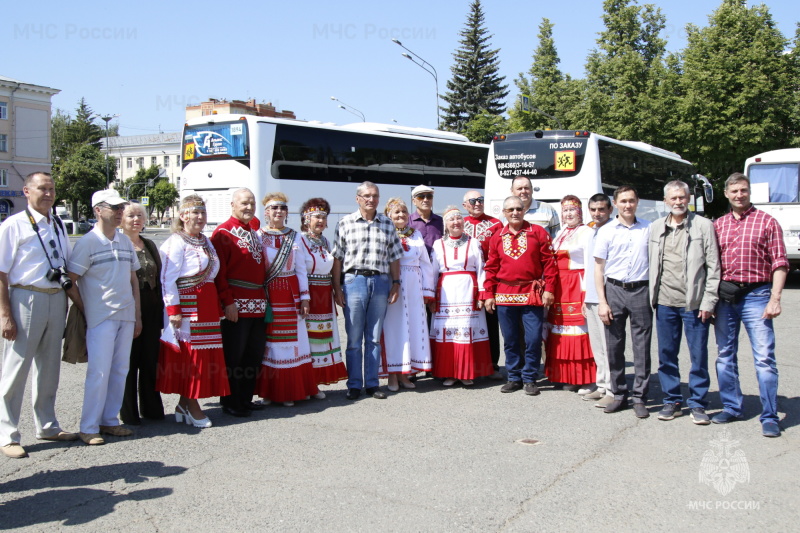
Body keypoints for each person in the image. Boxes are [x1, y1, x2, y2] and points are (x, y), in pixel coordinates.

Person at [0, 172, 79, 459]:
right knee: (16, 368)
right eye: (42, 188)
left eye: (52, 189)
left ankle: (47, 425)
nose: (48, 193)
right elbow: (1, 272)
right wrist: (5, 314)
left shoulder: (57, 223)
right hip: (25, 297)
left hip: (55, 298)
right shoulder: (14, 225)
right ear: (26, 191)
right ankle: (7, 434)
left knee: (49, 369)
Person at [712, 173, 788, 437]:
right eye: (734, 191)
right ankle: (732, 407)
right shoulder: (718, 225)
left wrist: (775, 299)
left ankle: (769, 415)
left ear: (749, 191)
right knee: (724, 356)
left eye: (743, 190)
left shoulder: (767, 222)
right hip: (726, 298)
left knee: (764, 359)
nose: (739, 195)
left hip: (757, 296)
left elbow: (780, 263)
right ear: (726, 194)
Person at [67, 190, 142, 445]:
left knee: (120, 369)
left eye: (121, 206)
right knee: (99, 372)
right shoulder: (87, 243)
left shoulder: (124, 241)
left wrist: (137, 315)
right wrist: (86, 308)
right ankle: (88, 427)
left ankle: (109, 421)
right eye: (114, 207)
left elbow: (133, 279)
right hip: (101, 317)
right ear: (98, 210)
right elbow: (71, 281)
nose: (120, 211)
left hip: (126, 315)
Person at [649, 181, 720, 425]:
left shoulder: (703, 226)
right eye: (673, 198)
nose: (678, 202)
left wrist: (709, 301)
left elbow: (713, 267)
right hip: (665, 302)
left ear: (688, 198)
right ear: (666, 201)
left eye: (682, 197)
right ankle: (672, 400)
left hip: (695, 304)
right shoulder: (656, 227)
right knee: (667, 355)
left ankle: (698, 403)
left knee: (698, 355)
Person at [157, 195, 230, 429]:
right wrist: (174, 310)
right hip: (187, 306)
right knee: (192, 358)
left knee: (205, 356)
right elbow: (167, 279)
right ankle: (192, 404)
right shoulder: (175, 243)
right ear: (182, 216)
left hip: (207, 306)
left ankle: (183, 404)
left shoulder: (206, 242)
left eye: (202, 213)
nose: (199, 217)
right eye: (194, 213)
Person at [332, 181, 403, 400]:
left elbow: (394, 256)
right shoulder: (345, 223)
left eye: (375, 196)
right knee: (353, 338)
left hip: (381, 282)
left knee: (373, 337)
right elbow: (337, 258)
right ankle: (354, 384)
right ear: (358, 198)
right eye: (366, 196)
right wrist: (337, 288)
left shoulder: (388, 224)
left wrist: (396, 283)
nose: (371, 199)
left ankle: (372, 384)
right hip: (354, 281)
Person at [483, 196, 558, 396]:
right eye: (510, 210)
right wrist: (489, 294)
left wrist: (549, 289)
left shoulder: (538, 233)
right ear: (505, 213)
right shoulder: (497, 236)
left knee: (533, 338)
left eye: (518, 209)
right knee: (510, 338)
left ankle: (530, 377)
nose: (515, 212)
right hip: (504, 294)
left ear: (524, 210)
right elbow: (490, 268)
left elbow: (550, 263)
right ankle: (514, 376)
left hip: (531, 293)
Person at [593, 186, 652, 419]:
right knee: (614, 346)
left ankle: (640, 397)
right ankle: (619, 394)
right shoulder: (606, 231)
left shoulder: (648, 228)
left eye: (631, 201)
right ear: (615, 204)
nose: (628, 205)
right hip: (614, 290)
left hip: (640, 290)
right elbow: (599, 268)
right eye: (623, 201)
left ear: (637, 202)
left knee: (642, 347)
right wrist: (602, 301)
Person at [256, 192, 319, 407]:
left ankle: (295, 389)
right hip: (269, 295)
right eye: (274, 208)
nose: (278, 212)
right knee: (272, 343)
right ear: (266, 212)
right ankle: (271, 391)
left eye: (282, 208)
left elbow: (301, 269)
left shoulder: (296, 236)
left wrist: (305, 298)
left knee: (295, 343)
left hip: (291, 293)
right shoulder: (258, 235)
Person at [211, 188, 267, 417]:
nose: (249, 207)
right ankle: (231, 401)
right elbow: (219, 272)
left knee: (252, 355)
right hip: (236, 302)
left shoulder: (253, 229)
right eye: (244, 203)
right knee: (234, 355)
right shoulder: (223, 233)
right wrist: (227, 302)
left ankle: (245, 398)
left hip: (258, 302)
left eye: (252, 203)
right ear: (232, 204)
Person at [381, 198, 434, 390]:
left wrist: (427, 291)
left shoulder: (416, 235)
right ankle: (392, 375)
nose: (401, 215)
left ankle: (406, 373)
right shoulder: (384, 234)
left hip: (414, 286)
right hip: (393, 284)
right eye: (396, 212)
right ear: (389, 215)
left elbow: (426, 263)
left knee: (412, 329)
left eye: (404, 212)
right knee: (394, 330)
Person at [119, 202, 165, 426]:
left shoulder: (148, 244)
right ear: (121, 220)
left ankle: (152, 408)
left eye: (139, 215)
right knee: (129, 360)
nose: (136, 219)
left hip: (152, 306)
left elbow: (160, 277)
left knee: (150, 358)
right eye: (130, 215)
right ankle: (129, 413)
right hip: (129, 305)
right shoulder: (118, 244)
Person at [544, 196, 596, 391]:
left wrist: (588, 294)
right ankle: (565, 375)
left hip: (576, 283)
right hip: (560, 286)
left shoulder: (587, 232)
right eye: (565, 210)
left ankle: (586, 378)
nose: (568, 214)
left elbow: (591, 265)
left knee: (579, 331)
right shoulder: (560, 233)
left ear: (580, 212)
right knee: (560, 331)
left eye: (572, 210)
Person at [298, 198, 348, 391]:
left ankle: (316, 384)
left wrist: (337, 290)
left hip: (325, 296)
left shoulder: (326, 242)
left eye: (323, 217)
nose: (320, 220)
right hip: (309, 295)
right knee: (309, 340)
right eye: (316, 216)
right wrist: (304, 297)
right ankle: (307, 383)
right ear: (306, 219)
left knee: (324, 339)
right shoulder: (299, 240)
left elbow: (333, 268)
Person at [462, 190, 503, 380]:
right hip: (466, 280)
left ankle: (493, 364)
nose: (477, 203)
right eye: (473, 201)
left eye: (480, 200)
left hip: (489, 277)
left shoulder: (495, 224)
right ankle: (470, 362)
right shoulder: (459, 223)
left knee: (490, 319)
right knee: (468, 320)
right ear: (465, 205)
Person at [580, 194, 615, 407]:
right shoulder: (591, 230)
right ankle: (601, 385)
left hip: (607, 297)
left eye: (601, 209)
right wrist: (586, 296)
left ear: (610, 210)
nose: (597, 213)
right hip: (591, 297)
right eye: (593, 209)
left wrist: (605, 300)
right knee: (597, 346)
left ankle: (613, 388)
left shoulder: (613, 230)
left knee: (609, 345)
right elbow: (588, 266)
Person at [408, 184, 443, 257]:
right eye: (421, 197)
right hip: (415, 264)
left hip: (436, 265)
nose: (426, 200)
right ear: (414, 201)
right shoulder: (407, 221)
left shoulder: (441, 221)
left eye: (429, 196)